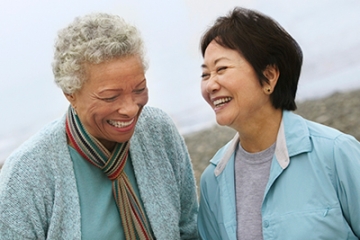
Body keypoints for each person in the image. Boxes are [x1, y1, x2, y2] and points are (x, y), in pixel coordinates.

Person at [0, 13, 199, 239]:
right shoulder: (27, 173)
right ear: (71, 94)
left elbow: (189, 229)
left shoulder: (159, 131)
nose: (131, 109)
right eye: (111, 97)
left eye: (139, 89)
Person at [197, 7, 360, 240]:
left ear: (270, 76)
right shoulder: (213, 180)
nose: (210, 85)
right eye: (205, 74)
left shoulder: (336, 153)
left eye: (221, 69)